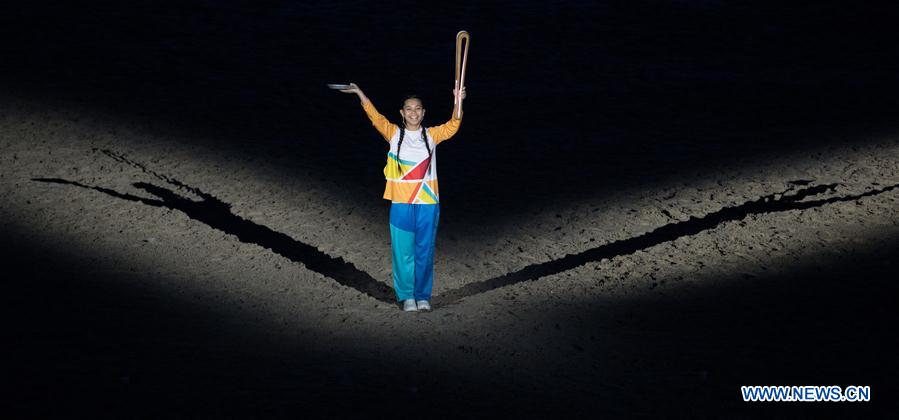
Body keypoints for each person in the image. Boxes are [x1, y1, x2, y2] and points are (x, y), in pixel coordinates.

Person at [338, 82, 466, 311]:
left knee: (424, 250)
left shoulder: (432, 135)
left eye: (418, 109)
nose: (413, 112)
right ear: (402, 112)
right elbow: (376, 118)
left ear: (423, 113)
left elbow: (453, 125)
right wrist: (360, 93)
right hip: (401, 204)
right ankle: (407, 296)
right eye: (409, 108)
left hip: (427, 203)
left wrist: (459, 101)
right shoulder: (394, 134)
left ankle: (423, 296)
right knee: (403, 251)